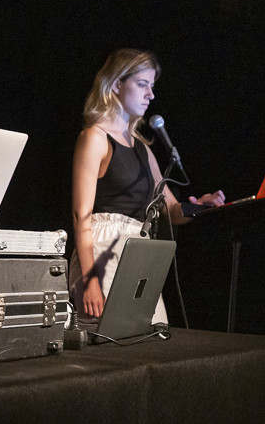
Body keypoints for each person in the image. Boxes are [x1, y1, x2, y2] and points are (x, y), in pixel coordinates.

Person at [68, 48, 223, 327]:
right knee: (109, 341)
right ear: (116, 84)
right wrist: (90, 280)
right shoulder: (95, 138)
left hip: (139, 253)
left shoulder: (143, 148)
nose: (150, 94)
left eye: (151, 86)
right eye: (142, 84)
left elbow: (171, 209)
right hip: (103, 250)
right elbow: (81, 215)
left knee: (154, 335)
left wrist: (201, 206)